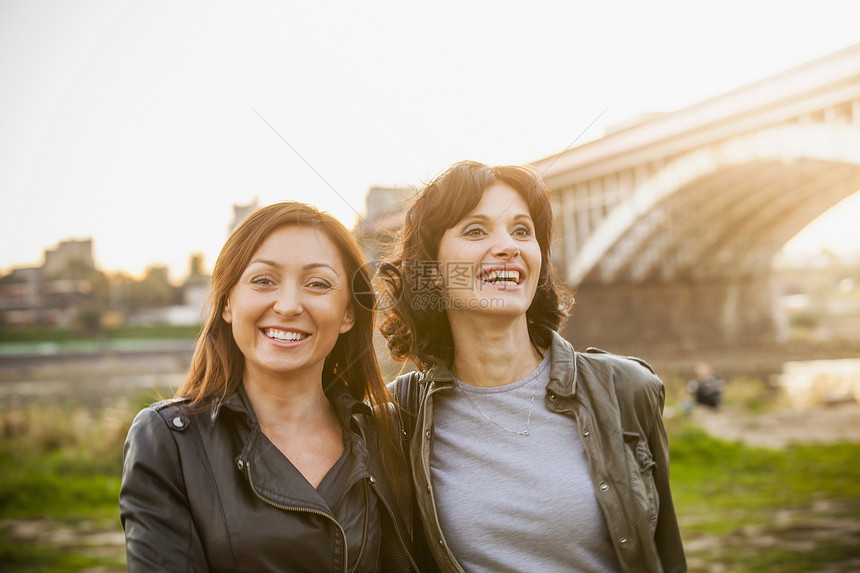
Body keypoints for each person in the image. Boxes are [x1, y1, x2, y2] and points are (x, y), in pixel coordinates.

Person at [378, 161, 687, 573]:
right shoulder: (398, 418)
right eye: (475, 230)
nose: (509, 246)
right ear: (432, 271)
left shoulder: (626, 389)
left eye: (522, 230)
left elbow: (667, 557)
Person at [120, 202, 420, 572]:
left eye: (318, 284)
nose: (289, 305)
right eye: (263, 280)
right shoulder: (169, 441)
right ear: (227, 302)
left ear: (347, 314)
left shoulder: (387, 434)